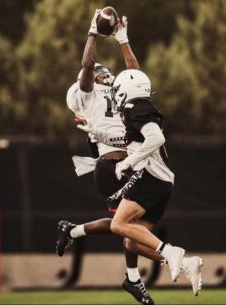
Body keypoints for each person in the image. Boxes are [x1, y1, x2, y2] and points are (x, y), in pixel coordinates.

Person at [57, 10, 156, 305]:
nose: (107, 74)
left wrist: (123, 40)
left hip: (129, 163)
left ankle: (73, 231)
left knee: (133, 226)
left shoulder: (118, 91)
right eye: (101, 72)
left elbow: (136, 79)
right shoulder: (88, 92)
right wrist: (93, 32)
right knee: (127, 226)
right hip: (110, 164)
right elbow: (87, 64)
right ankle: (138, 275)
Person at [109, 68, 204, 296]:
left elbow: (156, 138)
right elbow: (132, 140)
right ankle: (186, 263)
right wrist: (95, 131)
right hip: (161, 182)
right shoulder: (137, 109)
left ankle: (170, 251)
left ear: (126, 90)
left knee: (117, 225)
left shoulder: (135, 106)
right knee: (132, 242)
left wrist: (128, 162)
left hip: (150, 177)